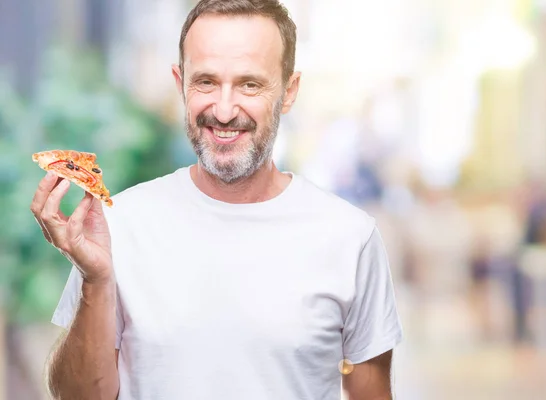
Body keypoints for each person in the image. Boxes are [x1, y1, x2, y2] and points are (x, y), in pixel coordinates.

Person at [30, 1, 403, 399]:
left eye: (249, 84)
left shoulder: (350, 238)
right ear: (181, 83)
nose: (224, 110)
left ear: (289, 91)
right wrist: (96, 280)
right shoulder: (120, 224)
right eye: (206, 82)